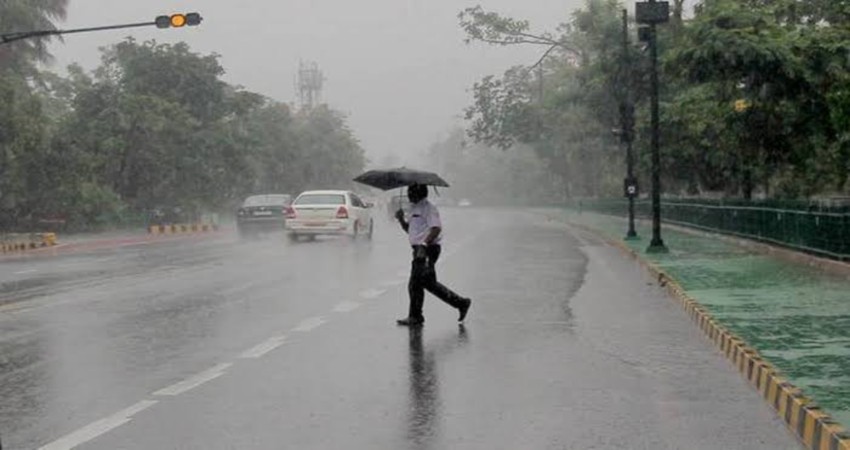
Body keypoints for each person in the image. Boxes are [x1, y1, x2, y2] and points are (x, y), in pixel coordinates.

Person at [394, 183, 471, 326]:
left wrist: (424, 245)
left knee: (416, 283)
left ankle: (416, 316)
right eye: (408, 191)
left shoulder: (429, 208)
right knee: (426, 283)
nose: (408, 194)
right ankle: (460, 303)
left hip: (428, 249)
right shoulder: (414, 208)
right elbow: (411, 231)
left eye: (411, 191)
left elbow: (436, 228)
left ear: (419, 193)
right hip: (418, 250)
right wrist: (401, 220)